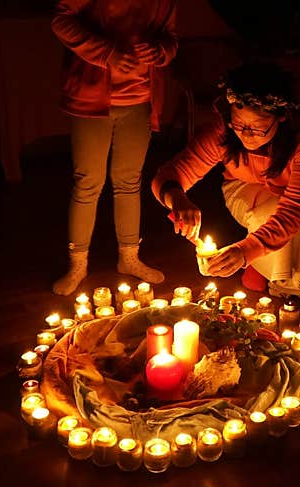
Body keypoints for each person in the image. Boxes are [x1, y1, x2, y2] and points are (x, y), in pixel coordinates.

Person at [151, 61, 300, 299]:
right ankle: (271, 273)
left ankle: (262, 266)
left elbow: (296, 207)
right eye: (239, 124)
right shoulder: (223, 132)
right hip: (245, 187)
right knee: (269, 214)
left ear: (282, 117)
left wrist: (245, 252)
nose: (246, 134)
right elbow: (167, 176)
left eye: (258, 127)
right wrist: (177, 198)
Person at [50, 0, 177, 296]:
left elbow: (170, 40)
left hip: (141, 100)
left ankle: (129, 257)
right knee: (88, 182)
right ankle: (78, 264)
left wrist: (159, 52)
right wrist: (107, 54)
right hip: (91, 99)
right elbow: (60, 20)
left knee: (129, 181)